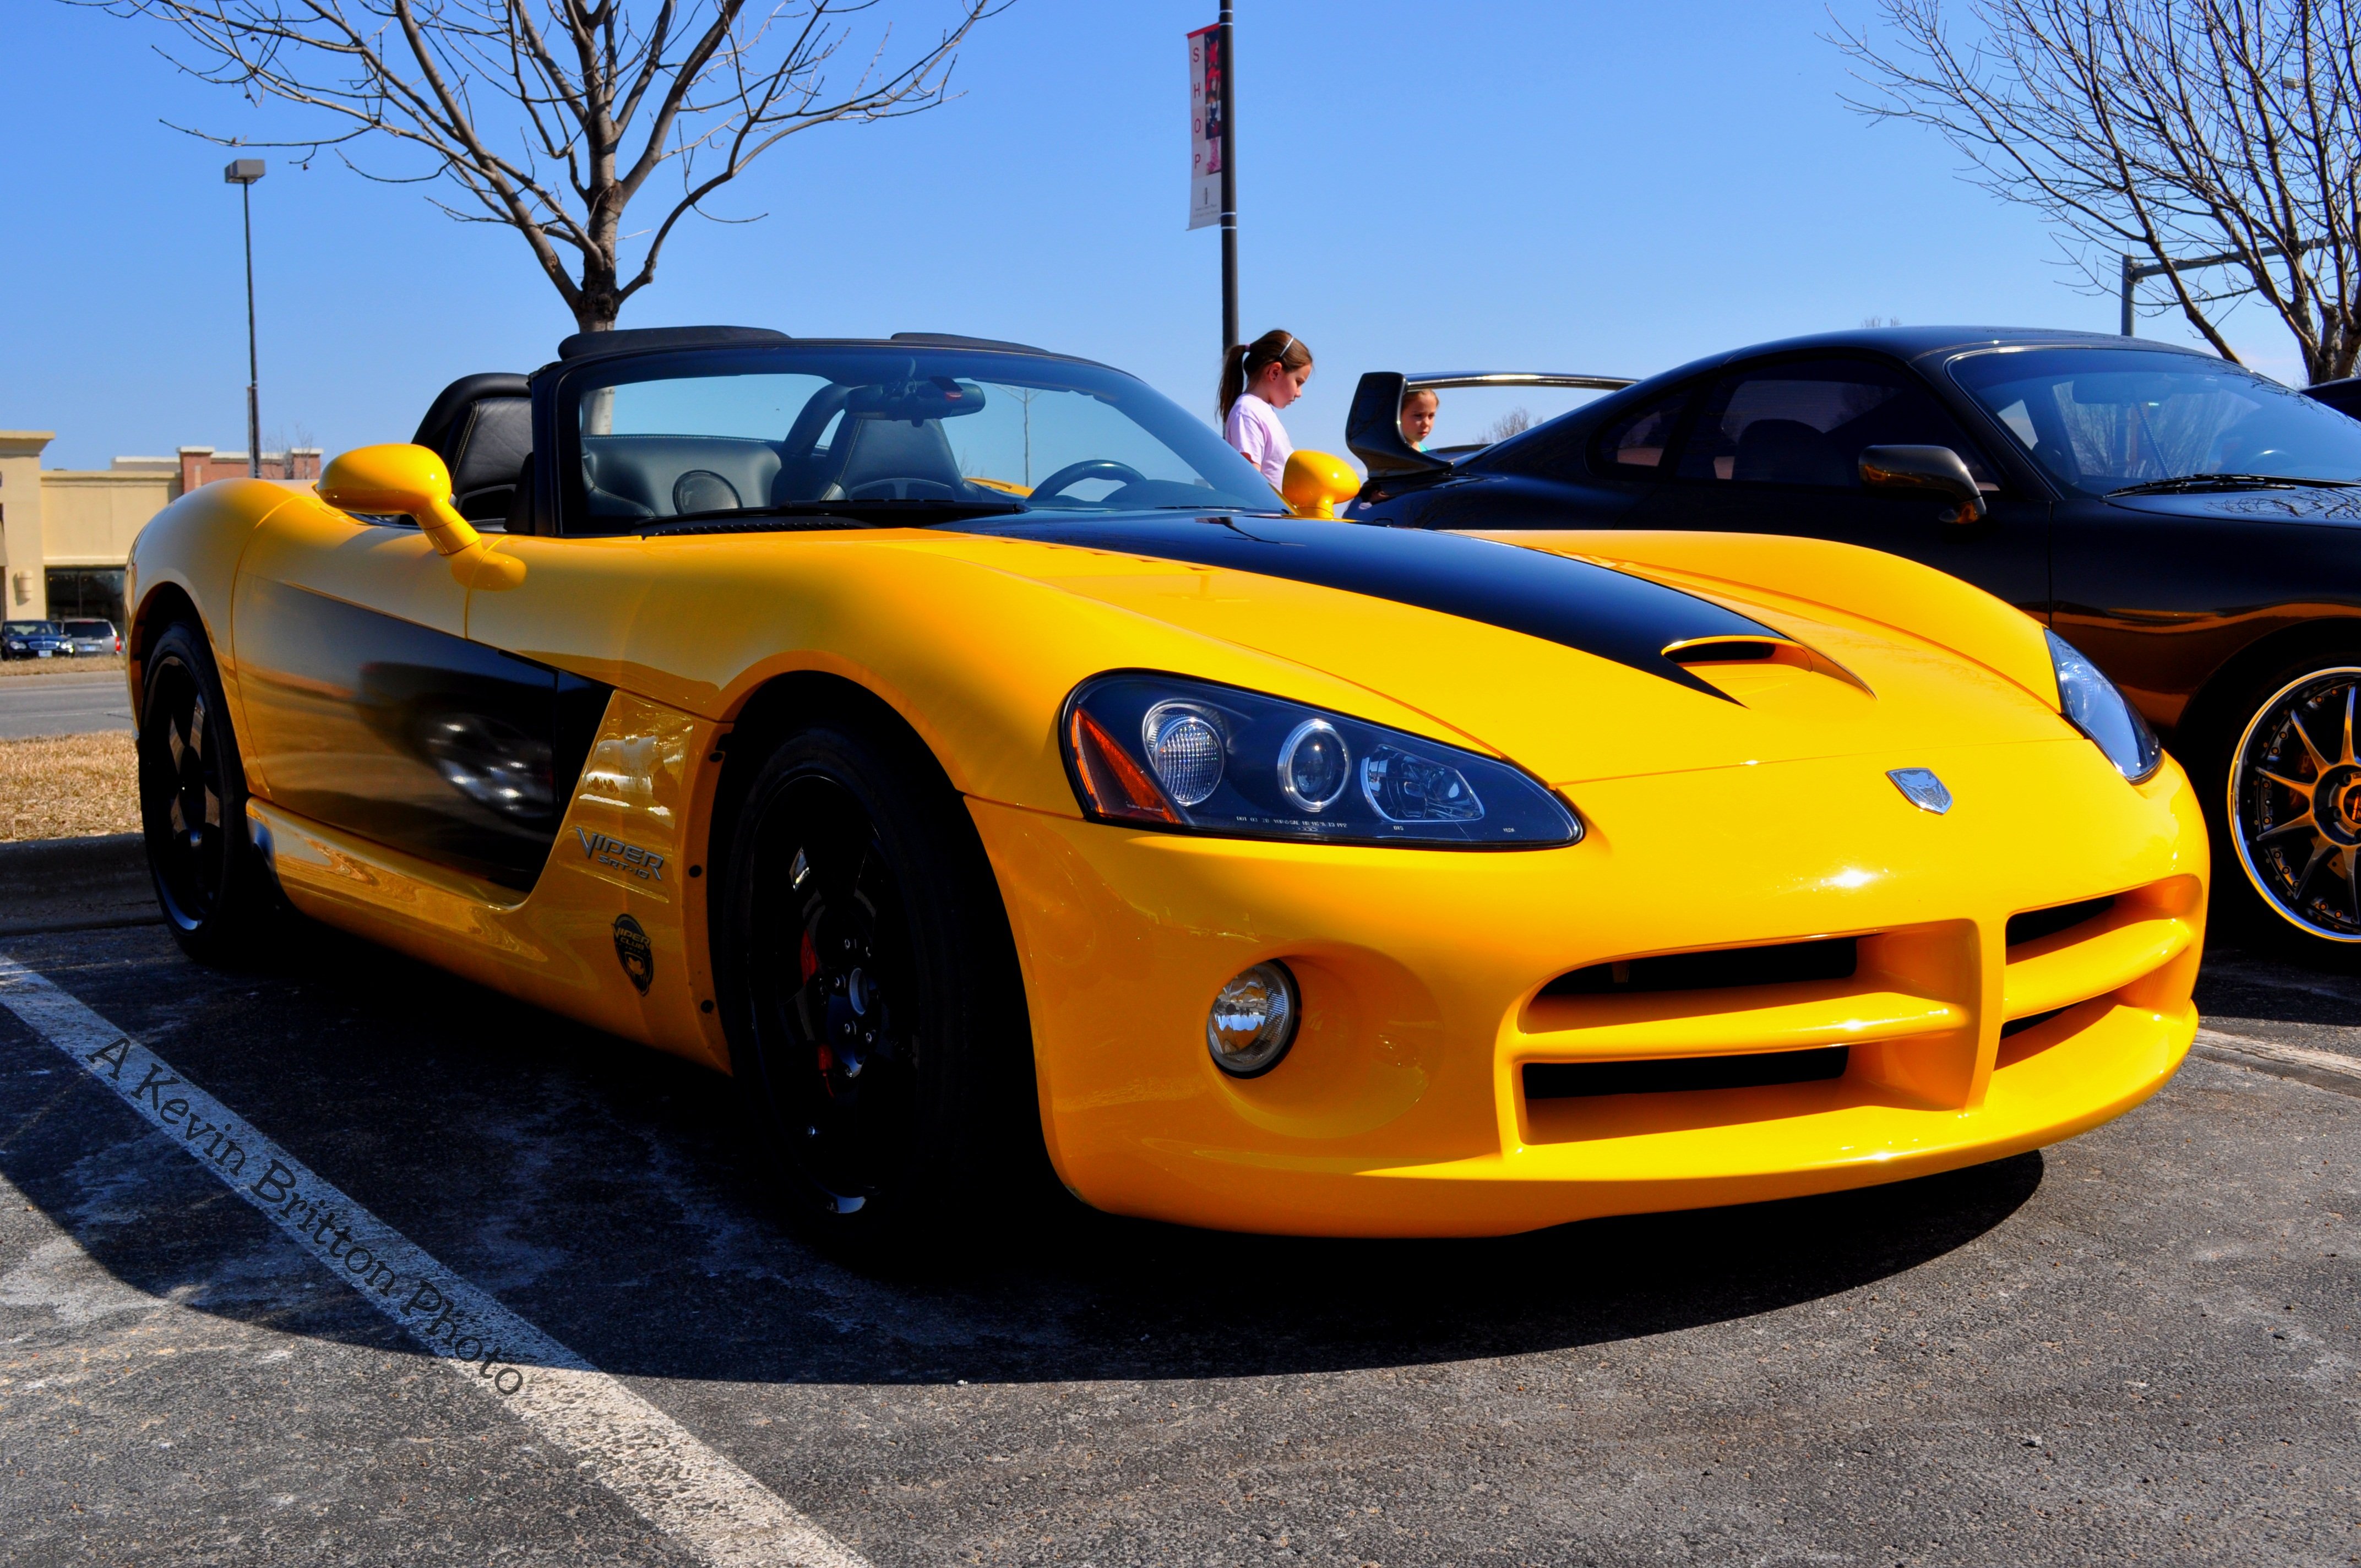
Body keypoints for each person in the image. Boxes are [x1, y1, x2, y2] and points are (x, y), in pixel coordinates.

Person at [1218, 329, 1313, 484]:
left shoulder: (1260, 411)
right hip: (1267, 510)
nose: (1299, 393)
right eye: (1298, 382)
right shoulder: (1247, 412)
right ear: (1275, 372)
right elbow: (1250, 480)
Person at [1400, 386, 1438, 450]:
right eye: (1418, 415)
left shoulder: (1428, 454)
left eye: (1431, 415)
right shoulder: (1386, 454)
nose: (1426, 423)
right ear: (1398, 415)